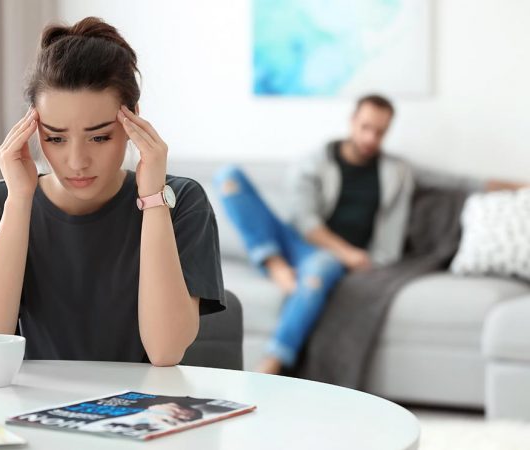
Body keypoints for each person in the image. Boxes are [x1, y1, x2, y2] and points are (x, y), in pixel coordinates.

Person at [0, 17, 225, 367]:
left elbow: (166, 350)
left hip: (139, 414)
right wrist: (19, 201)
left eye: (99, 137)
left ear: (133, 122)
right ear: (32, 129)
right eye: (55, 138)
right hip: (28, 411)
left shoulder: (180, 201)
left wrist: (154, 198)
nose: (77, 161)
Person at [215, 94, 527, 375]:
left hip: (324, 259)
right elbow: (306, 222)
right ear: (352, 121)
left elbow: (462, 183)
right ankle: (274, 264)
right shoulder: (313, 163)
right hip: (296, 240)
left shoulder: (397, 170)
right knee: (228, 178)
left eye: (379, 132)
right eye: (365, 127)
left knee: (319, 272)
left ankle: (273, 361)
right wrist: (348, 253)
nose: (370, 137)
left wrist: (520, 187)